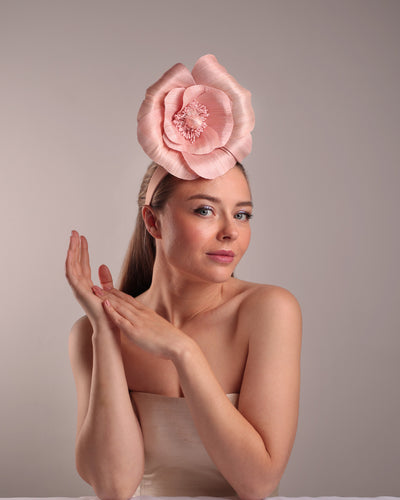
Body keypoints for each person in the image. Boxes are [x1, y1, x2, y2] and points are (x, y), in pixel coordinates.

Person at [65, 54, 302, 500]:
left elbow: (259, 483)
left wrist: (182, 352)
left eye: (243, 214)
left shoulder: (269, 311)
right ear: (153, 223)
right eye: (205, 210)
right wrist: (103, 333)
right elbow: (114, 487)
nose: (231, 230)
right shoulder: (92, 332)